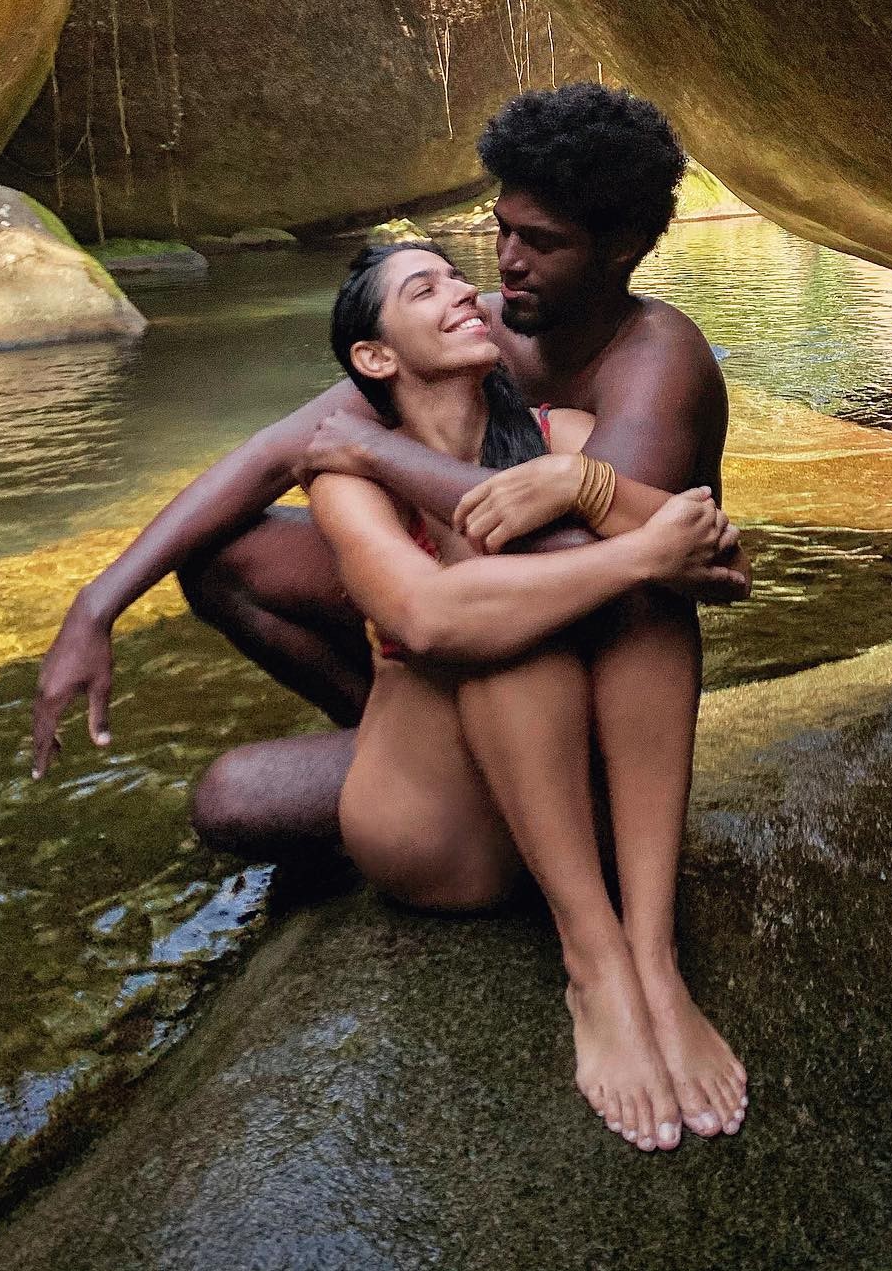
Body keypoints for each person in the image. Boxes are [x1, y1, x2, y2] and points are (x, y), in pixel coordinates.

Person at [31, 86, 746, 860]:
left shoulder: (656, 360)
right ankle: (410, 748)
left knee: (238, 799)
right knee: (221, 561)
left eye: (542, 242)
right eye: (503, 229)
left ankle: (558, 807)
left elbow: (592, 554)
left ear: (621, 247)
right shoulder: (486, 326)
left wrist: (377, 453)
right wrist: (96, 605)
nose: (508, 262)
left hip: (580, 663)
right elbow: (274, 453)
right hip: (466, 631)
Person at [307, 237, 747, 1150]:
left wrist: (588, 484)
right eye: (424, 289)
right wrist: (635, 552)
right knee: (504, 630)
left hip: (564, 813)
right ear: (375, 357)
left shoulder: (561, 437)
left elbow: (725, 565)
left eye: (455, 278)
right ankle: (595, 969)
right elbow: (429, 618)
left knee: (654, 611)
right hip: (439, 830)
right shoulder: (350, 478)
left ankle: (654, 963)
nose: (464, 292)